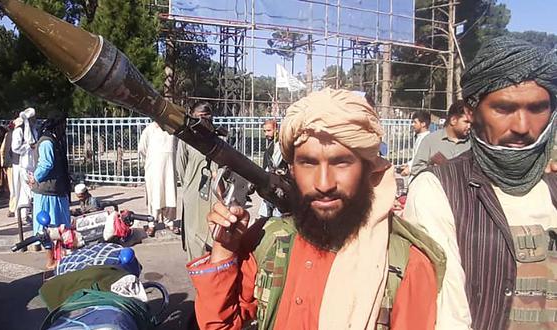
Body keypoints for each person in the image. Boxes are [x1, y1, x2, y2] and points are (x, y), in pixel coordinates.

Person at [187, 88, 446, 329]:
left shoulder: (406, 265)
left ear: (369, 169)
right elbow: (220, 324)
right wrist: (224, 249)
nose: (323, 184)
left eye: (341, 163)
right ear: (292, 170)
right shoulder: (271, 242)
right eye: (308, 163)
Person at [404, 36, 557, 329]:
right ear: (472, 113)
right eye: (504, 109)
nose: (522, 127)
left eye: (537, 108)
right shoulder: (439, 190)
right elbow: (448, 315)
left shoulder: (551, 186)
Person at [176, 101, 219, 260]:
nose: (204, 121)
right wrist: (189, 186)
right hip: (193, 194)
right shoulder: (186, 139)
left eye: (208, 117)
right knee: (194, 237)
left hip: (214, 196)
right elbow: (180, 167)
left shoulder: (217, 139)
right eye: (200, 117)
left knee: (214, 235)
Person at [30, 111, 71, 269]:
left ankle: (59, 257)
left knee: (59, 226)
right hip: (48, 193)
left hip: (56, 191)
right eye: (63, 125)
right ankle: (51, 260)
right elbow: (46, 164)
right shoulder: (47, 142)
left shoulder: (53, 140)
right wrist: (36, 177)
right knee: (49, 227)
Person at [409, 100, 471, 176]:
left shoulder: (472, 144)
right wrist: (436, 169)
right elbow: (416, 169)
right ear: (453, 120)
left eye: (471, 123)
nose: (469, 126)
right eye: (466, 122)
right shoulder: (430, 140)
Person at [138, 121, 178, 237]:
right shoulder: (149, 130)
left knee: (170, 194)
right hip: (154, 169)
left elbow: (176, 147)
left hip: (169, 168)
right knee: (154, 196)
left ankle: (169, 222)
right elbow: (142, 149)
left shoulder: (172, 130)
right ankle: (152, 223)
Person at [257, 119, 287, 219]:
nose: (266, 134)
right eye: (264, 131)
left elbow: (275, 164)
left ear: (276, 130)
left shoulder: (281, 145)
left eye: (269, 130)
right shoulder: (271, 146)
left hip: (279, 186)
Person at [12, 107, 38, 221]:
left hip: (34, 164)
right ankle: (27, 213)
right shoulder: (19, 131)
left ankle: (23, 215)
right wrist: (28, 146)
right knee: (29, 190)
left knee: (25, 192)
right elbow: (15, 148)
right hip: (25, 164)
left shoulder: (34, 130)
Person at [401, 110, 431, 177]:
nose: (413, 125)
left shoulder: (427, 139)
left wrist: (409, 169)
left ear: (423, 124)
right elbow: (416, 157)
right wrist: (408, 164)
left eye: (415, 122)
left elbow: (422, 161)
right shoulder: (419, 137)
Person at [0, 122, 19, 217]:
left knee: (12, 187)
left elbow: (2, 149)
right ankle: (13, 208)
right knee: (15, 187)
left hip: (9, 164)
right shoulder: (18, 134)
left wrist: (3, 163)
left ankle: (13, 208)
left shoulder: (7, 135)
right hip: (16, 164)